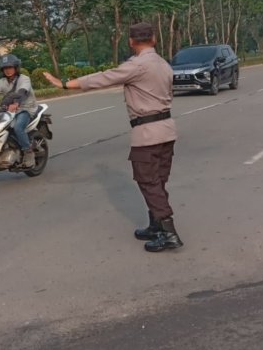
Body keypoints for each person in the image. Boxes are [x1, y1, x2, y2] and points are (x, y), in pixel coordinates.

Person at [43, 22, 182, 253]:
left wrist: (65, 84)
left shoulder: (137, 65)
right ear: (154, 39)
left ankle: (169, 233)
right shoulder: (164, 64)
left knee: (149, 182)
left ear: (131, 41)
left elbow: (104, 77)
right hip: (167, 130)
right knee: (158, 180)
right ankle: (156, 225)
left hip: (147, 134)